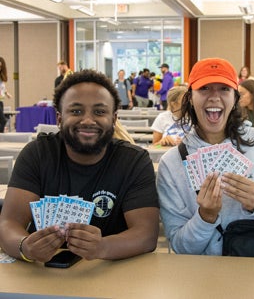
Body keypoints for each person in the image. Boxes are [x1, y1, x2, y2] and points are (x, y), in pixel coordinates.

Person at [0, 69, 159, 262]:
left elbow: (146, 235)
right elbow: (8, 223)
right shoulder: (37, 154)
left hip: (111, 274)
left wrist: (102, 247)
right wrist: (25, 247)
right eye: (76, 111)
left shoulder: (134, 161)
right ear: (59, 118)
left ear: (114, 119)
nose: (87, 120)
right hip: (41, 275)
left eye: (99, 112)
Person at [157, 57, 254, 258]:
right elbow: (180, 247)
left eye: (224, 89)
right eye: (204, 88)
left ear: (235, 98)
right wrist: (205, 217)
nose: (214, 97)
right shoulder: (171, 164)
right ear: (190, 98)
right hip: (209, 277)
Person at [0, 57, 12, 133]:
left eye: (0, 67)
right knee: (3, 120)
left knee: (1, 120)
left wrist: (7, 93)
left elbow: (2, 88)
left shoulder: (1, 78)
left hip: (1, 100)